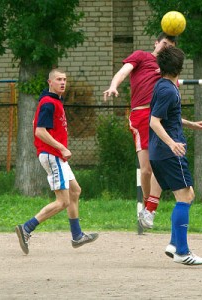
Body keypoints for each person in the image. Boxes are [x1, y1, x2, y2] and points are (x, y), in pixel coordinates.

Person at [15, 69, 99, 255]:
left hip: (56, 155)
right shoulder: (48, 103)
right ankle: (26, 228)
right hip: (52, 154)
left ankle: (77, 235)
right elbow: (40, 131)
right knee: (62, 201)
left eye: (65, 79)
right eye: (58, 79)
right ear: (50, 82)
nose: (63, 82)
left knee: (75, 191)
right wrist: (61, 147)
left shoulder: (54, 102)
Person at [103, 32, 178, 230]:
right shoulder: (141, 56)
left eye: (170, 47)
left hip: (160, 119)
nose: (165, 48)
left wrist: (187, 123)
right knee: (146, 169)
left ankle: (150, 209)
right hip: (141, 116)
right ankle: (147, 205)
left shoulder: (169, 71)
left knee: (158, 167)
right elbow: (123, 72)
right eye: (164, 44)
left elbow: (172, 102)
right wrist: (113, 86)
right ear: (156, 43)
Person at [149, 46, 202, 265]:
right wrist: (172, 143)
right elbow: (153, 122)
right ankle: (182, 252)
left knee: (187, 194)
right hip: (169, 151)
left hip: (161, 152)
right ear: (180, 68)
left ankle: (174, 244)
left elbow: (165, 118)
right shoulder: (167, 90)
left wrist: (191, 124)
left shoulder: (162, 86)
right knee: (185, 197)